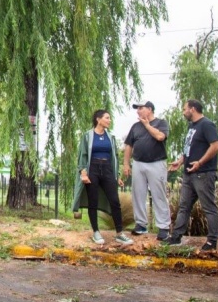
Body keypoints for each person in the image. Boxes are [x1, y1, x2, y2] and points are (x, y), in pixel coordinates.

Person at [166, 99, 218, 251]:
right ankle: (176, 237)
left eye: (185, 109)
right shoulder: (192, 126)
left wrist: (200, 162)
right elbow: (190, 149)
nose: (183, 112)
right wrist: (180, 161)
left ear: (192, 109)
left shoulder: (207, 125)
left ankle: (211, 241)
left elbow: (216, 146)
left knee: (208, 207)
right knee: (184, 206)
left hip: (203, 174)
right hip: (189, 174)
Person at [72, 109, 134, 246]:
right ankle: (96, 232)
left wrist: (116, 175)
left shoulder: (110, 137)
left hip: (107, 170)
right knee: (92, 201)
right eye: (107, 118)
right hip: (92, 169)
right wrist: (83, 173)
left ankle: (119, 233)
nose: (109, 120)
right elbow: (82, 155)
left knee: (115, 201)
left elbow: (115, 158)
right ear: (98, 119)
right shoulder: (87, 136)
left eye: (109, 118)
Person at [123, 100, 172, 241]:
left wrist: (147, 125)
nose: (138, 111)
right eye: (137, 109)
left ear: (149, 109)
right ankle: (141, 225)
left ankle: (163, 227)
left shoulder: (161, 123)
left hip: (156, 163)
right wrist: (126, 164)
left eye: (141, 108)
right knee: (138, 194)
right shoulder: (135, 127)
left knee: (159, 195)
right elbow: (128, 146)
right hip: (138, 163)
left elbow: (160, 136)